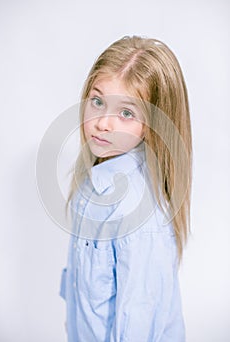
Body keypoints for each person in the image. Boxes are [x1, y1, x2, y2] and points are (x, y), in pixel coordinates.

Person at [60, 35, 192, 342]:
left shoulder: (138, 209)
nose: (102, 123)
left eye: (127, 113)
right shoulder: (95, 180)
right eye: (97, 101)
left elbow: (139, 317)